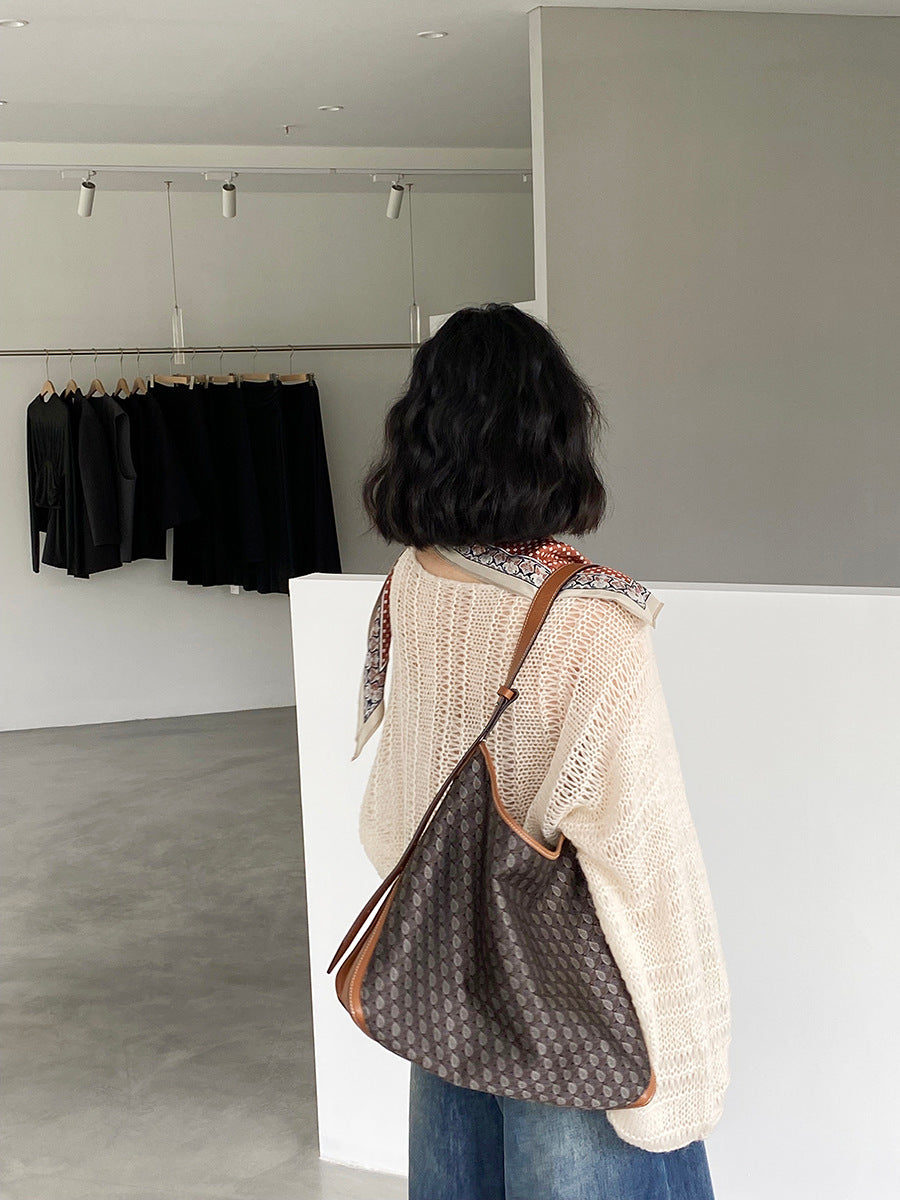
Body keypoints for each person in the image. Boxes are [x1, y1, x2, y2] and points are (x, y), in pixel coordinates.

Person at [354, 303, 731, 1200]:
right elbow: (645, 862)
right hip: (564, 1006)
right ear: (554, 437)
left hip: (443, 976)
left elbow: (392, 808)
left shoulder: (411, 579)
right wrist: (689, 1054)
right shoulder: (595, 622)